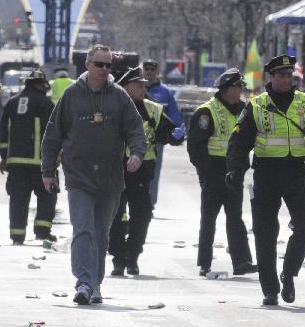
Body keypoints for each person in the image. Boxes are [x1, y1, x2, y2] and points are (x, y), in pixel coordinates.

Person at [226, 54, 305, 307]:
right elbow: (239, 141)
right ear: (271, 78)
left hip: (295, 173)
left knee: (304, 227)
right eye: (280, 75)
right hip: (266, 174)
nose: (285, 80)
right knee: (265, 233)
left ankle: (289, 273)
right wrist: (235, 170)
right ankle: (270, 289)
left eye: (289, 75)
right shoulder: (257, 106)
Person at [41, 44, 147, 305]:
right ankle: (84, 282)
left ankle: (94, 284)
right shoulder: (71, 95)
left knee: (101, 233)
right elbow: (52, 135)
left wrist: (136, 153)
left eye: (108, 65)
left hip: (110, 179)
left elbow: (135, 129)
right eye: (99, 64)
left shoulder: (119, 96)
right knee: (83, 229)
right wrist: (48, 171)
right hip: (79, 177)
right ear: (87, 65)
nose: (104, 70)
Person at [108, 66, 181, 277]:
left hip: (142, 173)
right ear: (125, 87)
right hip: (116, 171)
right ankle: (118, 258)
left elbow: (166, 133)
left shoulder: (153, 109)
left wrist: (175, 136)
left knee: (142, 215)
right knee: (114, 215)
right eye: (138, 85)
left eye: (144, 85)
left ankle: (132, 256)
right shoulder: (112, 107)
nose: (143, 88)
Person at [186, 68, 257, 277]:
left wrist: (242, 166)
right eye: (237, 88)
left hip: (235, 171)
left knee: (235, 217)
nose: (240, 92)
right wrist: (205, 171)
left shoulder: (244, 110)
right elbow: (195, 147)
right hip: (213, 172)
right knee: (209, 218)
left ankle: (242, 262)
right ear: (226, 89)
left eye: (241, 88)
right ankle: (205, 263)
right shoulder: (207, 112)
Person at [0, 69, 56, 245]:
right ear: (41, 85)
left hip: (15, 163)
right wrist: (55, 158)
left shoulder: (12, 103)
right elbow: (52, 133)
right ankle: (42, 232)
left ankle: (17, 235)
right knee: (47, 196)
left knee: (18, 199)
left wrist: (4, 158)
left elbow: (2, 133)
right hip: (40, 163)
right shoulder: (45, 103)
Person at [141, 59, 183, 208]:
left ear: (157, 72)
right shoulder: (135, 87)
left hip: (156, 139)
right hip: (136, 138)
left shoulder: (165, 92)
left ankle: (149, 202)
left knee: (154, 171)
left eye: (152, 69)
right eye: (147, 68)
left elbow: (173, 114)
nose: (149, 71)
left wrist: (177, 131)